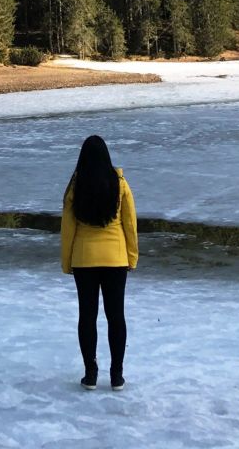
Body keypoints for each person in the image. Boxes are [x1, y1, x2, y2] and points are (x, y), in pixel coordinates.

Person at [60, 135, 138, 391]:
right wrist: (132, 257)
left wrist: (66, 261)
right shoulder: (119, 183)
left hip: (84, 260)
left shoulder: (75, 186)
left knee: (87, 316)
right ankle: (116, 375)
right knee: (116, 317)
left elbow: (68, 228)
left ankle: (91, 373)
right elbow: (130, 224)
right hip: (116, 259)